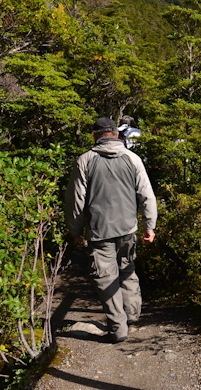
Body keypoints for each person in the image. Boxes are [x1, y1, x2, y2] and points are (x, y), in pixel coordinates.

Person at [65, 117, 157, 343]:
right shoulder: (132, 159)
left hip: (99, 230)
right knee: (127, 268)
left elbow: (76, 200)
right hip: (128, 228)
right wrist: (150, 226)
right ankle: (132, 314)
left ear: (95, 135)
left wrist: (75, 228)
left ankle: (118, 328)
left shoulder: (85, 160)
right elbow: (146, 195)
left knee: (106, 278)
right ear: (116, 134)